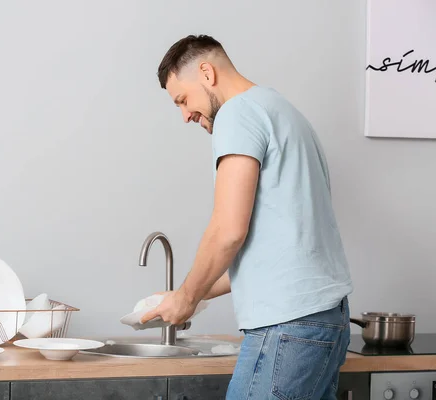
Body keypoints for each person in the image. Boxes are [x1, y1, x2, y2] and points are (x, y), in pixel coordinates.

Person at [140, 35, 354, 399]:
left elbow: (228, 230)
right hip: (325, 320)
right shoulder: (282, 111)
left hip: (288, 326)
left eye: (183, 99)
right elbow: (272, 248)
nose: (185, 115)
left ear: (206, 73)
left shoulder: (238, 113)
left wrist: (189, 298)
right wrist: (188, 292)